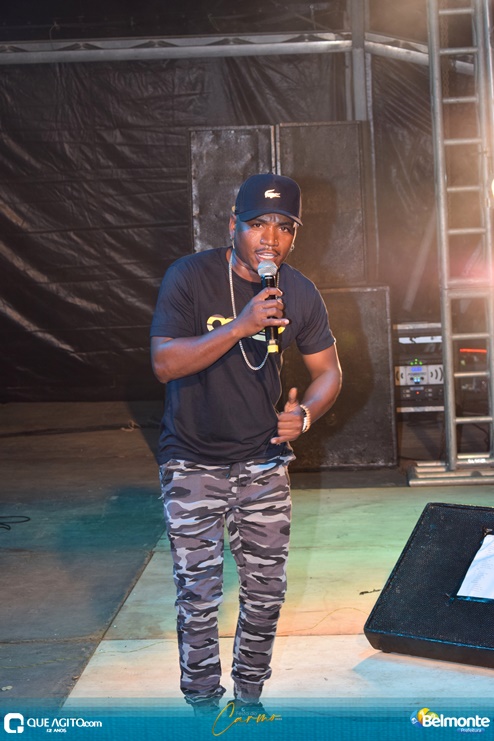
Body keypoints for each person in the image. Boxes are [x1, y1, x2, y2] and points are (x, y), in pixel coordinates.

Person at [150, 173, 342, 717]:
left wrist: (305, 414)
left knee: (266, 594)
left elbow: (329, 372)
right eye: (258, 224)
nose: (270, 238)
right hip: (192, 460)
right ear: (233, 225)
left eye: (284, 227)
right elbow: (165, 363)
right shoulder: (189, 276)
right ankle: (202, 708)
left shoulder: (298, 291)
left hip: (263, 461)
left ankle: (250, 701)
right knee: (199, 596)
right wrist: (241, 324)